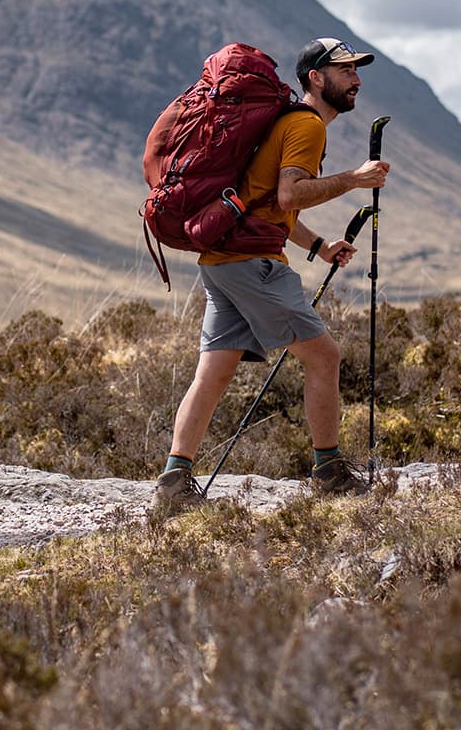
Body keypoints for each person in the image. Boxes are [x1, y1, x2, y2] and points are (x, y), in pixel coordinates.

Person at [153, 37, 389, 518]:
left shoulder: (287, 124)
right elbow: (288, 195)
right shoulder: (305, 125)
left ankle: (174, 483)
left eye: (356, 71)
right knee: (324, 357)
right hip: (253, 264)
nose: (357, 80)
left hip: (222, 261)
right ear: (315, 79)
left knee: (213, 373)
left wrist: (319, 246)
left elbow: (264, 201)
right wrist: (354, 178)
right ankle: (328, 472)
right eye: (345, 72)